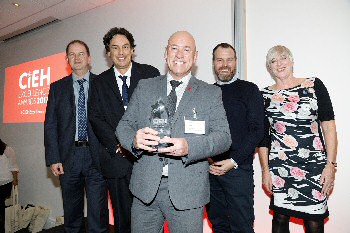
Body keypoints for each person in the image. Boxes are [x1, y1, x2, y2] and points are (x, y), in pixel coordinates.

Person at [116, 31, 231, 233]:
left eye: (186, 50)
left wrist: (189, 146)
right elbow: (123, 126)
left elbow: (223, 138)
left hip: (188, 192)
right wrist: (133, 140)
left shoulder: (210, 93)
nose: (179, 55)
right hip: (145, 190)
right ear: (165, 53)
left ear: (195, 57)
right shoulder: (145, 87)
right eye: (174, 48)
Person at [257, 45, 338, 233]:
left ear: (292, 61)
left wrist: (331, 165)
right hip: (280, 168)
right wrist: (265, 170)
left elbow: (329, 127)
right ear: (269, 67)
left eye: (283, 58)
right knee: (280, 218)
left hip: (314, 167)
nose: (279, 63)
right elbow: (263, 138)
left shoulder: (314, 85)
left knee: (314, 222)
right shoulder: (264, 96)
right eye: (273, 61)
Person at [88, 27, 160, 233]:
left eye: (125, 47)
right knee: (123, 217)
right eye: (115, 48)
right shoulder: (99, 82)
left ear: (133, 50)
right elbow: (96, 117)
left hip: (149, 158)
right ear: (108, 52)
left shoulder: (150, 74)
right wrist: (120, 143)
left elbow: (160, 110)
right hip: (117, 160)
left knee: (152, 215)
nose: (121, 52)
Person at [44, 40, 109, 233]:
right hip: (67, 157)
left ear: (89, 58)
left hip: (96, 156)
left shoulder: (103, 84)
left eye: (81, 53)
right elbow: (50, 125)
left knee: (98, 215)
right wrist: (53, 158)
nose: (77, 57)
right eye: (72, 54)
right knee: (72, 215)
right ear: (67, 60)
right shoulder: (57, 88)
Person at [207, 43, 264, 233]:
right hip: (211, 171)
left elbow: (257, 130)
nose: (225, 64)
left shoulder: (249, 90)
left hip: (238, 169)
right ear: (213, 63)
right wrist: (206, 158)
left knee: (242, 225)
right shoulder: (206, 92)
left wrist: (233, 161)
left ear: (236, 62)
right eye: (220, 60)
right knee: (218, 223)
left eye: (229, 59)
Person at [0, 139, 19, 233]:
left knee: (1, 203)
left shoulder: (7, 150)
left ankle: (3, 225)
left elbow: (14, 166)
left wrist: (15, 180)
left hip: (5, 182)